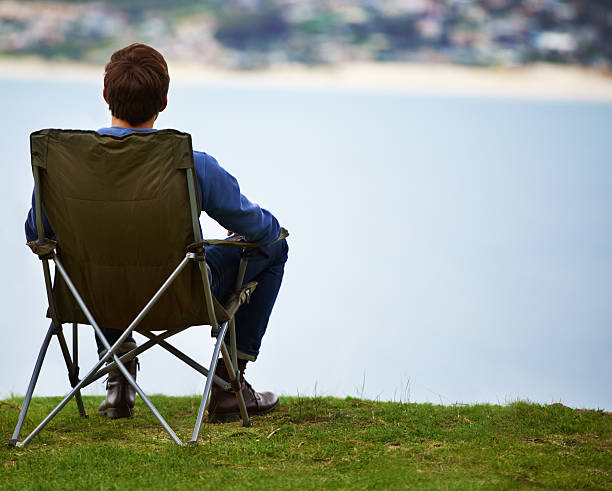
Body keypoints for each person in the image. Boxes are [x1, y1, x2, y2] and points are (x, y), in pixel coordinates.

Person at [24, 43, 288, 423]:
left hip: (92, 296)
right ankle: (229, 385)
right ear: (163, 101)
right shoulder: (190, 165)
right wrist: (249, 230)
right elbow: (262, 231)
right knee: (275, 247)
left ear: (105, 96)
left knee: (104, 256)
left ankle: (118, 377)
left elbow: (37, 232)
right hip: (178, 293)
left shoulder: (59, 163)